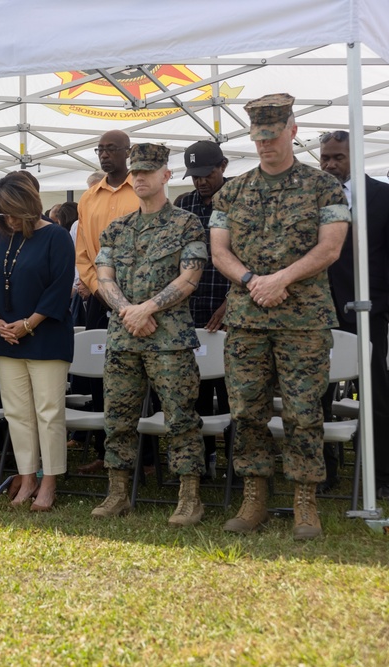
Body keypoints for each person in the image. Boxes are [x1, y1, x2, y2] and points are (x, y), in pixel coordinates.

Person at [210, 94, 350, 540]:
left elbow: (330, 248)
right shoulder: (231, 190)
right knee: (247, 409)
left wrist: (281, 279)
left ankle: (305, 500)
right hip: (248, 319)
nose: (265, 145)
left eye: (272, 136)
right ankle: (255, 498)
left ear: (292, 130)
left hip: (303, 320)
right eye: (258, 138)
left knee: (303, 410)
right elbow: (218, 251)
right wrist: (253, 280)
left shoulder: (323, 186)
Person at [89, 144, 208, 525]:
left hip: (168, 340)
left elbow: (190, 277)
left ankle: (190, 497)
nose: (139, 177)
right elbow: (102, 277)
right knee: (117, 418)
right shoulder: (116, 229)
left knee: (181, 418)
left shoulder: (187, 224)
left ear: (166, 176)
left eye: (148, 171)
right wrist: (129, 311)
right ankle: (118, 492)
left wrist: (148, 308)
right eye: (135, 172)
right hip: (125, 336)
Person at [0, 174, 75, 511]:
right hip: (5, 337)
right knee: (17, 413)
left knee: (48, 411)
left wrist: (30, 323)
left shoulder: (57, 237)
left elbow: (60, 288)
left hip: (46, 337)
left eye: (13, 213)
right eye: (2, 214)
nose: (9, 220)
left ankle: (49, 482)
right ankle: (27, 476)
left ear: (29, 207)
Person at [319, 130, 389, 499]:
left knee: (374, 396)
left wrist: (380, 306)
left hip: (366, 312)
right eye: (325, 157)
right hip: (316, 313)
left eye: (338, 158)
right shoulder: (311, 197)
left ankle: (379, 475)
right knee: (316, 397)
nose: (330, 164)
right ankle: (322, 472)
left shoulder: (382, 196)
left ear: (356, 157)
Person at [74, 130, 141, 473]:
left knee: (144, 374)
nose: (104, 154)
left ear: (127, 152)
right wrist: (102, 292)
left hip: (141, 302)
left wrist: (131, 302)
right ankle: (105, 453)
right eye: (99, 149)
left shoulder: (142, 190)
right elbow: (84, 255)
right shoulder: (88, 199)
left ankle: (145, 457)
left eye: (111, 149)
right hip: (101, 300)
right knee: (102, 373)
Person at [174, 140, 231, 479]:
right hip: (192, 311)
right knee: (195, 391)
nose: (200, 182)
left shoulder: (239, 201)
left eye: (206, 174)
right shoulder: (184, 204)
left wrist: (230, 302)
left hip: (228, 308)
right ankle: (204, 462)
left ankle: (235, 464)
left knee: (229, 393)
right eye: (194, 176)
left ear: (222, 166)